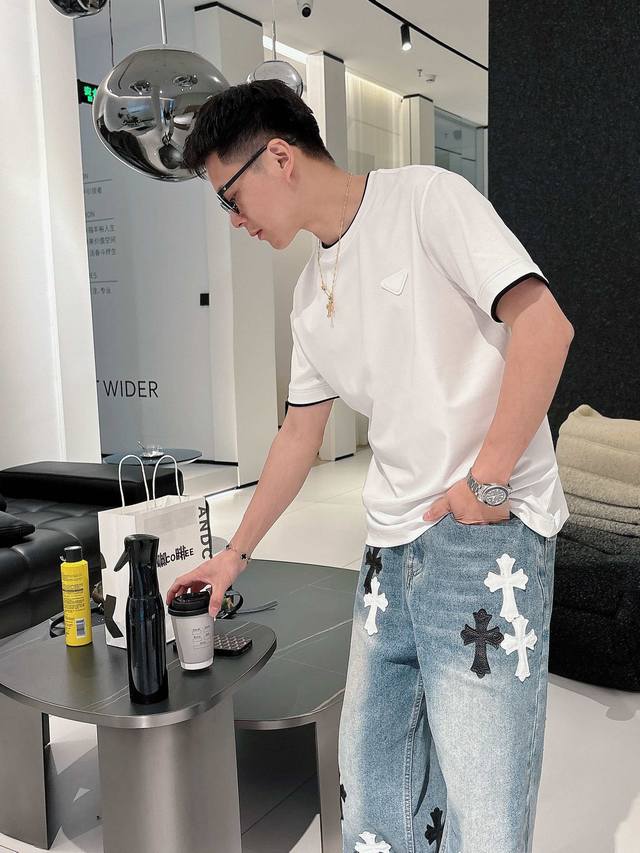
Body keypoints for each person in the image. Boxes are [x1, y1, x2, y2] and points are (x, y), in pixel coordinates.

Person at [166, 79, 574, 853]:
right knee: (372, 793)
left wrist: (487, 479)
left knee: (484, 806)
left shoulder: (426, 200)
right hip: (389, 549)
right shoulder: (307, 293)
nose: (234, 219)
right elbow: (299, 434)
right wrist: (234, 552)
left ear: (278, 157)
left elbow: (544, 325)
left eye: (230, 195)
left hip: (483, 538)